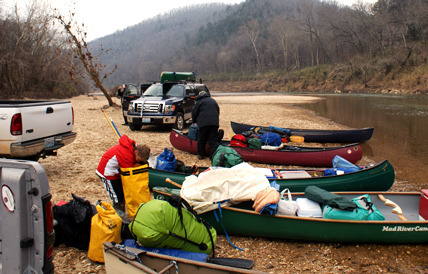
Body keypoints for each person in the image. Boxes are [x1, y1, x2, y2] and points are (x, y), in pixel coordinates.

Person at [96, 134, 150, 217]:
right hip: (107, 173)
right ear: (136, 152)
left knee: (122, 194)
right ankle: (118, 218)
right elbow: (128, 178)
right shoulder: (127, 156)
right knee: (118, 198)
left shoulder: (132, 149)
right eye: (138, 159)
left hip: (116, 172)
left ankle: (122, 215)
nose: (138, 161)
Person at [191, 90, 220, 160]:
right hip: (214, 122)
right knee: (213, 140)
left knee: (202, 139)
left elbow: (194, 112)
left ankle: (201, 155)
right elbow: (218, 110)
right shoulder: (213, 100)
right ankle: (213, 156)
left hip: (203, 123)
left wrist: (194, 121)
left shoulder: (199, 102)